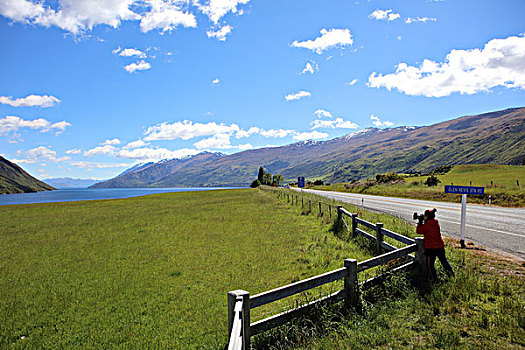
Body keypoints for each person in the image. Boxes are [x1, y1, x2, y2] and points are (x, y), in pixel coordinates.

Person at [416, 208, 454, 280]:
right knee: (444, 262)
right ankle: (451, 276)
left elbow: (419, 231)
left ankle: (435, 279)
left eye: (424, 215)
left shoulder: (427, 225)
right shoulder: (435, 223)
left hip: (431, 248)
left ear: (427, 217)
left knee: (431, 265)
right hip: (440, 246)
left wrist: (420, 222)